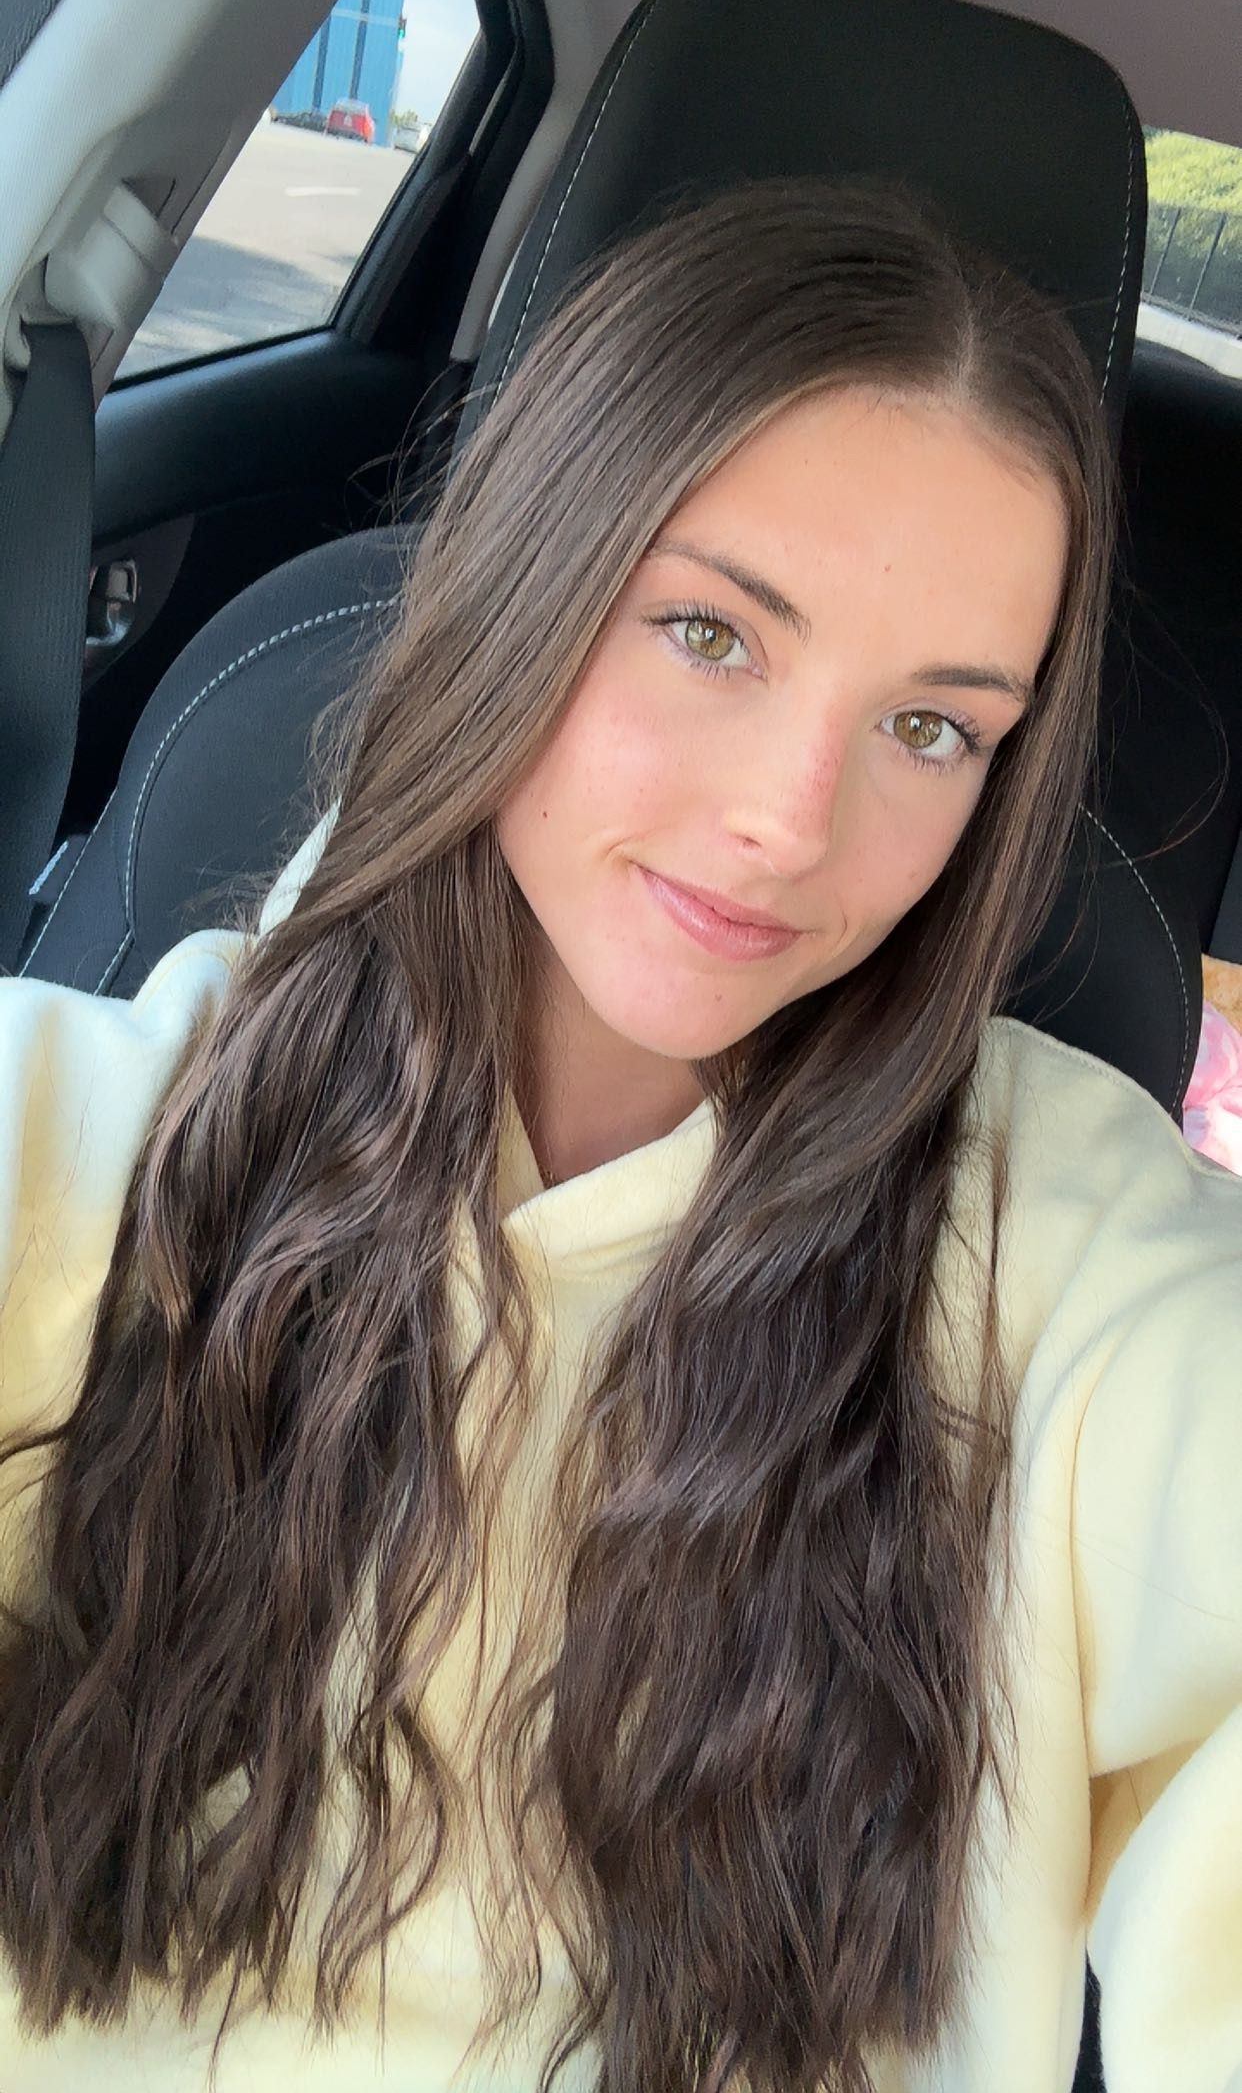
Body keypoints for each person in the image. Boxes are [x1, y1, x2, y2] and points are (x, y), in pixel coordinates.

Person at [0, 179, 1237, 2093]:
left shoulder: (1065, 1260)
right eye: (708, 633)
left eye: (931, 730)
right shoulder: (70, 1138)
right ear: (523, 579)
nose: (787, 820)